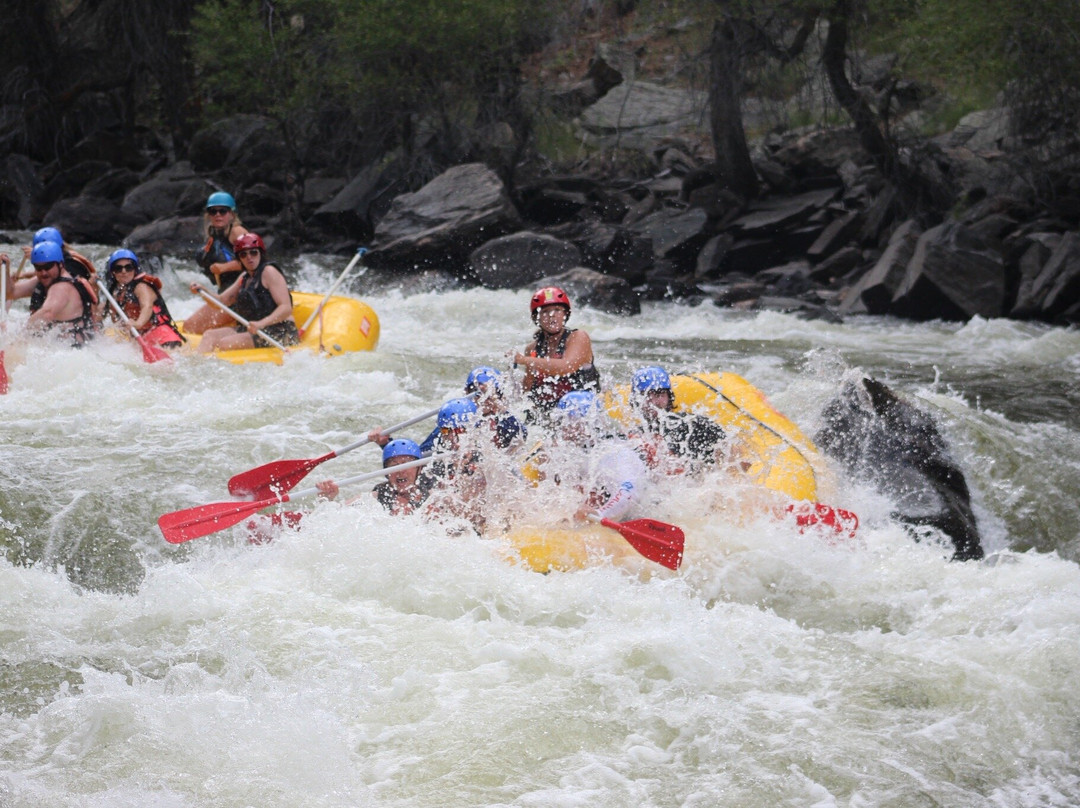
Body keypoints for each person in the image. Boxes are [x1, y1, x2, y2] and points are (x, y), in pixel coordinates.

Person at [534, 390, 647, 524]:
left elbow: (629, 492)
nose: (565, 428)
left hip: (630, 516)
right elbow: (548, 494)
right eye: (563, 421)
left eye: (572, 421)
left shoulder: (616, 453)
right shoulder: (566, 452)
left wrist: (600, 514)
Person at [189, 232, 299, 353]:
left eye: (253, 252)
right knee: (210, 335)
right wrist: (203, 291)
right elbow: (220, 302)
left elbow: (286, 308)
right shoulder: (245, 277)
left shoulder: (269, 272)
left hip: (280, 330)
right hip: (255, 328)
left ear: (260, 253)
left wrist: (261, 323)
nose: (249, 257)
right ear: (239, 258)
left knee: (225, 343)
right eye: (243, 254)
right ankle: (199, 365)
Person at [512, 286, 600, 417]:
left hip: (580, 410)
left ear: (566, 314)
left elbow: (567, 366)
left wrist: (525, 360)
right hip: (550, 412)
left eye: (557, 310)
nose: (552, 315)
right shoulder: (532, 349)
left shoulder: (578, 337)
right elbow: (528, 391)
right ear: (537, 318)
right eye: (545, 311)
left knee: (573, 402)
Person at [628, 366, 729, 475]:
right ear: (636, 400)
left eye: (659, 394)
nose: (654, 402)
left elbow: (729, 446)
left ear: (669, 396)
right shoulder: (634, 436)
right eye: (646, 395)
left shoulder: (692, 423)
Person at [4, 241, 98, 347]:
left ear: (61, 264)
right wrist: (5, 271)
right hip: (64, 348)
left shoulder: (61, 287)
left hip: (75, 350)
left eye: (48, 266)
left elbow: (47, 313)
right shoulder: (47, 279)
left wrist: (14, 343)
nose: (43, 272)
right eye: (38, 268)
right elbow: (11, 293)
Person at [182, 192, 250, 334]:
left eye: (223, 211)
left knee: (190, 327)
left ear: (231, 214)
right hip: (225, 294)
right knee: (189, 326)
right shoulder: (214, 235)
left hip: (239, 296)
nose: (218, 215)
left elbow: (254, 261)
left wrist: (224, 267)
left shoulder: (237, 231)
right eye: (213, 211)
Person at [316, 439, 435, 515]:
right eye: (394, 465)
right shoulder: (374, 498)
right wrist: (326, 500)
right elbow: (332, 515)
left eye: (406, 464)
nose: (400, 470)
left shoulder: (433, 499)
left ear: (419, 469)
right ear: (386, 472)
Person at [100, 249, 184, 348]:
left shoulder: (142, 287)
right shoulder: (116, 293)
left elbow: (147, 306)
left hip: (163, 338)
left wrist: (138, 324)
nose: (124, 271)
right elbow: (106, 314)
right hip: (142, 339)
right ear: (113, 272)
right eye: (118, 268)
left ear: (135, 269)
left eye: (128, 267)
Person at [21, 226, 97, 282]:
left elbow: (55, 277)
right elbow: (47, 271)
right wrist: (24, 275)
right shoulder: (62, 259)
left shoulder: (72, 264)